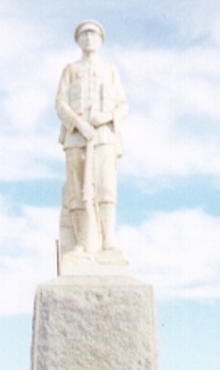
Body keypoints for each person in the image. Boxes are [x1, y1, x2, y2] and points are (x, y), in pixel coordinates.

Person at [56, 20, 128, 262]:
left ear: (100, 40)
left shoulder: (110, 71)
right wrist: (78, 123)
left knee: (106, 186)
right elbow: (60, 103)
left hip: (104, 136)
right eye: (84, 35)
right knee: (77, 191)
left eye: (93, 34)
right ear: (78, 40)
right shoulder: (70, 70)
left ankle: (108, 239)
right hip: (76, 137)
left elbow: (123, 105)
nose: (88, 38)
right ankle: (80, 243)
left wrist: (106, 117)